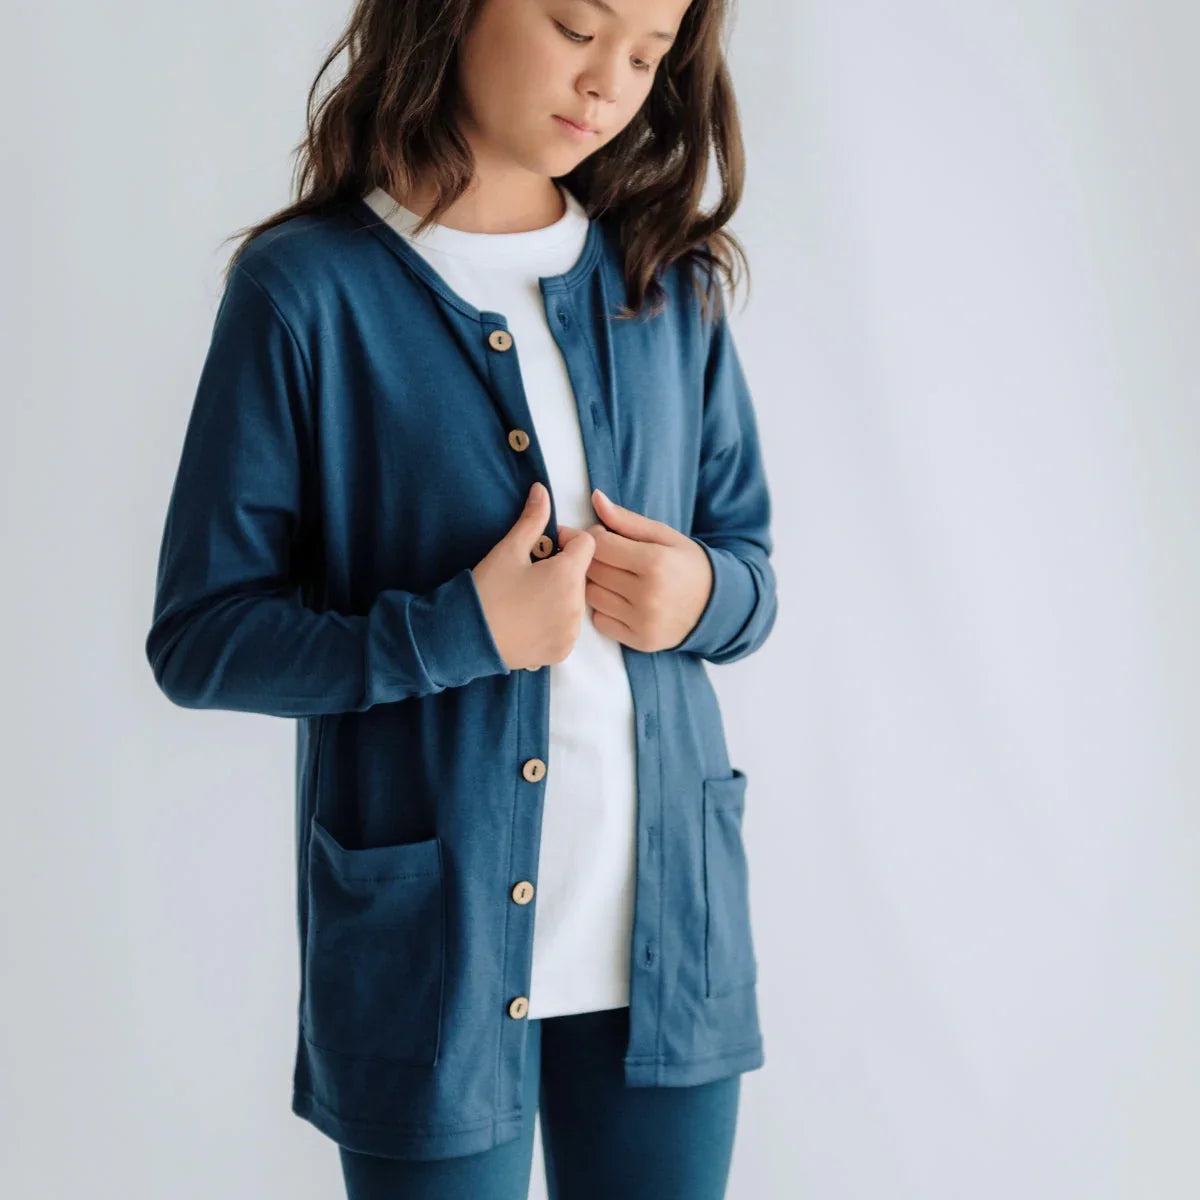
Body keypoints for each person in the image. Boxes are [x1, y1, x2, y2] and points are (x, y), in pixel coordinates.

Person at [145, 0, 779, 1195]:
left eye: (647, 56)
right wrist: (458, 634)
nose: (608, 84)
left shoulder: (668, 284)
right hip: (429, 951)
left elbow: (749, 570)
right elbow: (200, 638)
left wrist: (701, 594)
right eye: (575, 25)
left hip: (671, 939)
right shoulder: (306, 293)